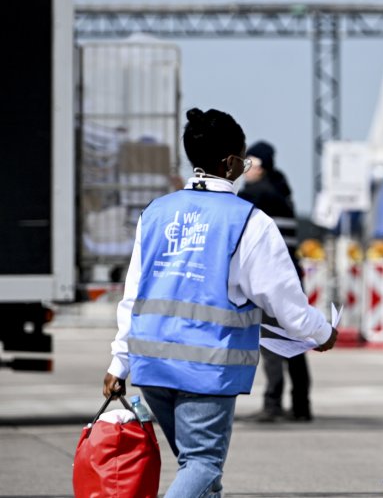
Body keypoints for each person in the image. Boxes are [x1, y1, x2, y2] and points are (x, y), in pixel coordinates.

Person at [102, 108, 337, 498]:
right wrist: (323, 333)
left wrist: (118, 362)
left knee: (202, 477)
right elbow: (284, 301)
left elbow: (134, 295)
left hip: (152, 365)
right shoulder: (248, 221)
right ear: (230, 163)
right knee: (203, 464)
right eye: (242, 160)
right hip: (205, 369)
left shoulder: (155, 213)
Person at [238, 140, 313, 423]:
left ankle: (272, 404)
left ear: (264, 166)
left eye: (251, 164)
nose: (246, 170)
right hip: (292, 276)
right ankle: (301, 404)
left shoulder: (257, 195)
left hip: (273, 279)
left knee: (272, 341)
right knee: (295, 341)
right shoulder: (283, 192)